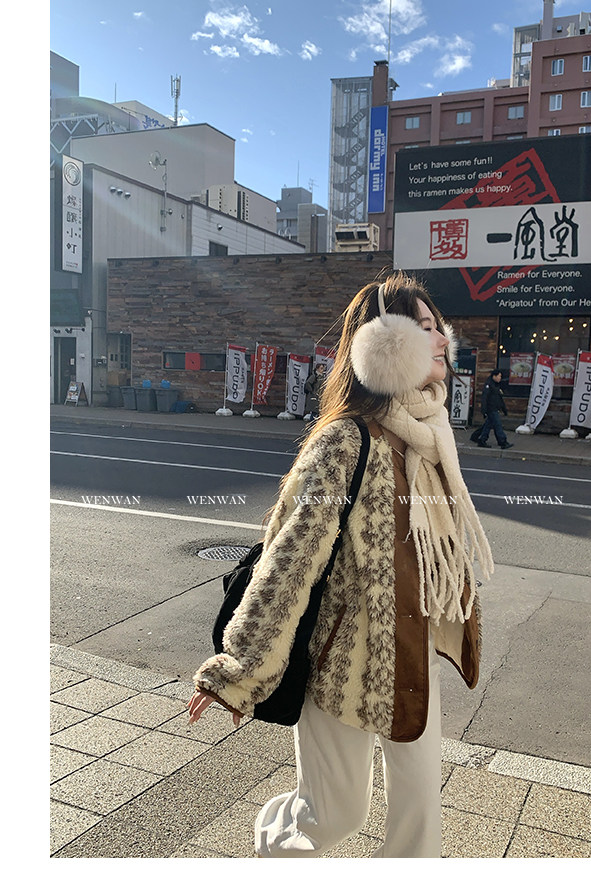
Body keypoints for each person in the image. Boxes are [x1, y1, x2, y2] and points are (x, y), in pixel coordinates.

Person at [188, 271, 494, 858]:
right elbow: (288, 562)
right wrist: (238, 670)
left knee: (420, 819)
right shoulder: (345, 442)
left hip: (412, 655)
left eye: (439, 328)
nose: (442, 340)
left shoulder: (432, 435)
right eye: (424, 328)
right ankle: (275, 842)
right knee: (333, 815)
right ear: (384, 345)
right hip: (343, 663)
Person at [471, 369, 513, 449]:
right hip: (491, 409)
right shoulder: (489, 385)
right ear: (494, 376)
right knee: (498, 425)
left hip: (495, 408)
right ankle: (502, 442)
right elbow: (484, 398)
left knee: (487, 426)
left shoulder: (496, 385)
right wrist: (484, 410)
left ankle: (481, 439)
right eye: (499, 376)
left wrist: (504, 409)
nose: (500, 378)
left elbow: (499, 398)